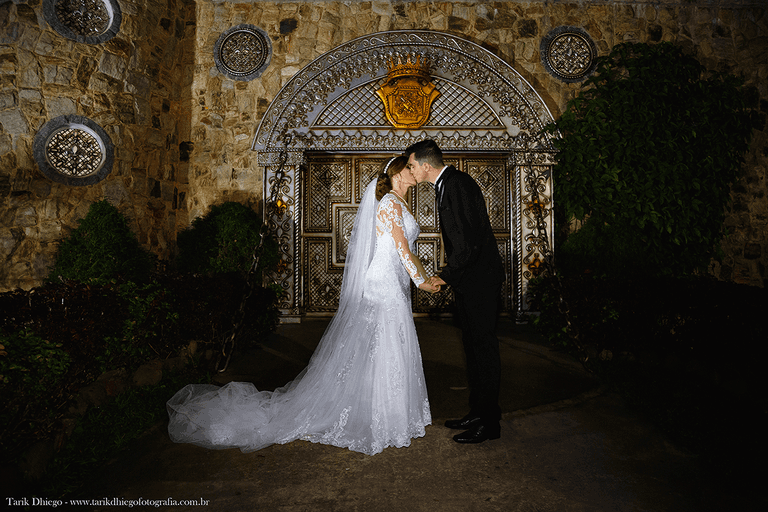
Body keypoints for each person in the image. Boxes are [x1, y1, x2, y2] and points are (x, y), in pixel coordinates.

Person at [167, 156, 440, 455]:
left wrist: (419, 278)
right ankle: (385, 416)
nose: (415, 172)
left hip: (394, 279)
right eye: (410, 168)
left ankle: (393, 412)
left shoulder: (400, 202)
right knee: (385, 341)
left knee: (388, 343)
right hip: (385, 280)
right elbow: (402, 248)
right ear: (398, 173)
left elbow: (405, 249)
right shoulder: (388, 203)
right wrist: (421, 281)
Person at [405, 139, 506, 444]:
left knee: (484, 350)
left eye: (411, 165)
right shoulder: (449, 184)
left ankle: (489, 424)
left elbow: (469, 242)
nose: (410, 170)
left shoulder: (457, 185)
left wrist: (444, 276)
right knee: (473, 349)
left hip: (480, 281)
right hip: (470, 280)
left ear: (425, 165)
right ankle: (478, 411)